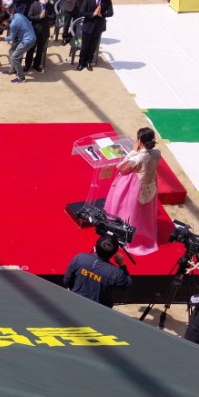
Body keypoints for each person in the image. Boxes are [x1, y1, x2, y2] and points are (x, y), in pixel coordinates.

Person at [104, 127, 161, 256]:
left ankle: (124, 232)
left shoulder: (138, 158)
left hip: (135, 186)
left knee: (129, 209)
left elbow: (121, 168)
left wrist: (133, 152)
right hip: (150, 183)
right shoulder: (157, 153)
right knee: (144, 211)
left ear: (139, 141)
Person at [64, 235, 132, 307]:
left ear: (95, 248)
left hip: (75, 303)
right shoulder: (115, 272)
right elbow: (127, 284)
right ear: (114, 254)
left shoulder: (79, 258)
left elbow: (67, 281)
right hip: (99, 309)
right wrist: (122, 264)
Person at [77, 0, 113, 71]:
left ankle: (89, 62)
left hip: (99, 27)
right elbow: (82, 12)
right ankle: (81, 63)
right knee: (85, 46)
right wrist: (93, 14)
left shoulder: (107, 0)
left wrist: (102, 14)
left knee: (93, 46)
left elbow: (110, 13)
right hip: (88, 26)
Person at [24, 0, 55, 73]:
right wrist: (39, 16)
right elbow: (30, 16)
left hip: (44, 31)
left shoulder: (50, 6)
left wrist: (45, 16)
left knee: (40, 49)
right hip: (34, 30)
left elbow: (53, 18)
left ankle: (36, 65)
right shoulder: (34, 5)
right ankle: (27, 65)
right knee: (31, 49)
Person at [1, 12, 36, 84]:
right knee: (11, 51)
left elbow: (11, 38)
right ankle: (13, 69)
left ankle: (21, 77)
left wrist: (2, 38)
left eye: (3, 22)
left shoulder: (13, 24)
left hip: (27, 41)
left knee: (14, 58)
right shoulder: (17, 15)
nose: (3, 24)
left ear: (5, 20)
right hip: (27, 37)